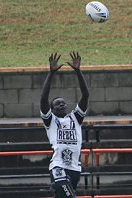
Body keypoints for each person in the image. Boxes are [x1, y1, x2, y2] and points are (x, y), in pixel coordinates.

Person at [40, 51, 89, 198]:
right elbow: (43, 99)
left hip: (75, 169)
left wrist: (78, 71)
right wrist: (51, 73)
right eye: (57, 104)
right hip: (58, 168)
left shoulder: (75, 118)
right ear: (52, 109)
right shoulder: (51, 121)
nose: (61, 105)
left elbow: (85, 94)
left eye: (63, 103)